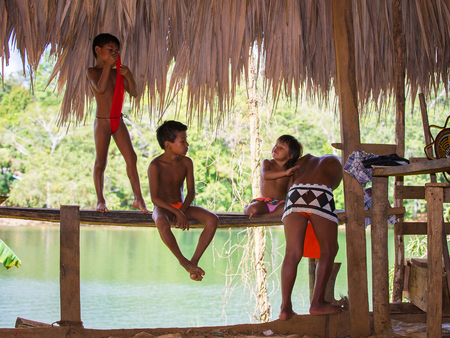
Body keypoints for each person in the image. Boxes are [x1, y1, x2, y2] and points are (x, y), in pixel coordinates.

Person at [148, 120, 218, 281]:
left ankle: (193, 262)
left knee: (213, 219)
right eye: (183, 141)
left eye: (186, 140)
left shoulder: (187, 162)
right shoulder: (155, 165)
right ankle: (183, 262)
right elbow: (155, 198)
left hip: (182, 207)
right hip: (163, 207)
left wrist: (182, 211)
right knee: (162, 223)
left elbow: (191, 192)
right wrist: (176, 212)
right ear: (168, 144)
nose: (187, 144)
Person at [86, 33, 148, 213]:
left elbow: (134, 92)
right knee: (101, 162)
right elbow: (101, 88)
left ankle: (139, 199)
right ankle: (100, 200)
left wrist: (128, 76)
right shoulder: (92, 71)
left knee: (132, 158)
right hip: (102, 122)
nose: (115, 53)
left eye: (117, 51)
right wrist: (108, 66)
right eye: (110, 50)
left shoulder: (117, 72)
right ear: (98, 50)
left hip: (117, 120)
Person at [279, 153, 343, 320]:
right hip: (320, 192)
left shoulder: (307, 159)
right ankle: (317, 303)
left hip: (294, 194)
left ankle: (285, 308)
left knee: (291, 253)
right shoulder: (340, 162)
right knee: (329, 250)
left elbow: (292, 173)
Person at [243, 135, 301, 218]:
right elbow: (266, 175)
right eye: (276, 145)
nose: (276, 148)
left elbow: (289, 190)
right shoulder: (267, 163)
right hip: (264, 202)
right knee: (253, 210)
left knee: (289, 209)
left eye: (281, 147)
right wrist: (284, 173)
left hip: (280, 204)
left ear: (290, 156)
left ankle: (265, 216)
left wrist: (296, 177)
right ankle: (246, 208)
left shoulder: (289, 171)